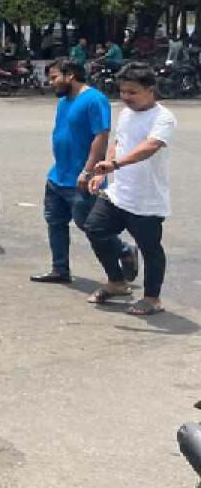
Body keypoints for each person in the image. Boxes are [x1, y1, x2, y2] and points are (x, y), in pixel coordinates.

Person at [30, 59, 137, 285]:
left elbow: (101, 136)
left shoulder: (94, 100)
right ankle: (60, 269)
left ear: (70, 76)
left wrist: (87, 171)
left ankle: (124, 250)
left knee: (90, 226)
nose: (51, 83)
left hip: (82, 179)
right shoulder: (64, 101)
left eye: (54, 77)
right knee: (55, 222)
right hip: (57, 175)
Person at [83, 63, 175, 315]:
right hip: (118, 194)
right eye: (122, 91)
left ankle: (153, 298)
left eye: (132, 92)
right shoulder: (124, 113)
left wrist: (115, 164)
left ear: (150, 90)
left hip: (147, 200)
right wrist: (104, 173)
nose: (125, 97)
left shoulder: (163, 118)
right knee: (94, 228)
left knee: (150, 249)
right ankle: (117, 282)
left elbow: (149, 147)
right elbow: (119, 141)